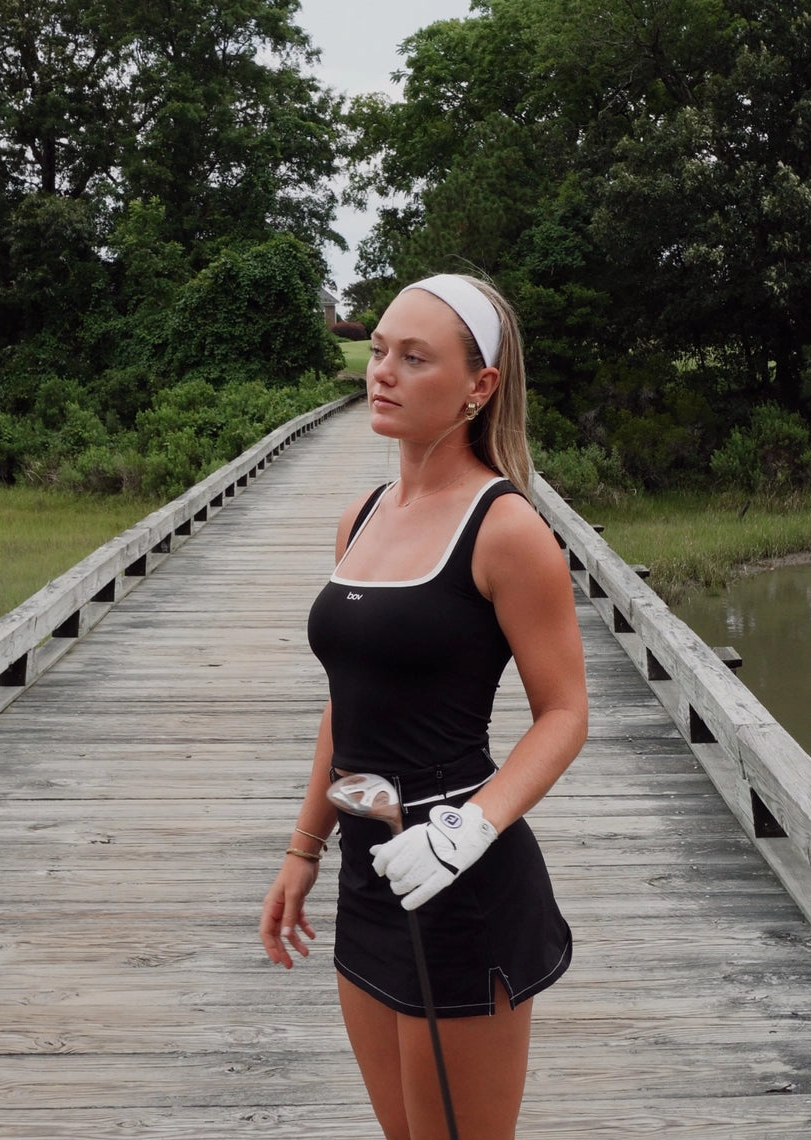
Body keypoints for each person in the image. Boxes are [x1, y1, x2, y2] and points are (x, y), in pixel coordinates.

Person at [259, 273, 588, 1140]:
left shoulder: (506, 528)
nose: (383, 372)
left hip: (460, 880)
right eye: (377, 351)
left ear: (479, 387)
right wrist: (305, 848)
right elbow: (348, 702)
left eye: (414, 357)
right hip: (369, 877)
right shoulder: (360, 517)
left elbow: (565, 712)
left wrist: (469, 832)